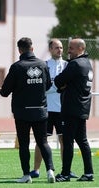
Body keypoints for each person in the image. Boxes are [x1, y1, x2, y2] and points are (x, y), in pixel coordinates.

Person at [0, 37, 55, 183]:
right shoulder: (42, 65)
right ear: (32, 48)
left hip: (22, 112)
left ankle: (26, 175)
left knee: (24, 144)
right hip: (40, 110)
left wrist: (3, 90)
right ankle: (50, 171)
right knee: (43, 142)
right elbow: (48, 86)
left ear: (19, 50)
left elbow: (5, 91)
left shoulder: (17, 67)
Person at [30, 39, 77, 179]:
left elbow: (70, 86)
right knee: (41, 141)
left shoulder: (68, 65)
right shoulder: (44, 66)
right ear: (50, 49)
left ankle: (65, 170)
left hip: (64, 110)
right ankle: (36, 170)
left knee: (65, 141)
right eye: (57, 47)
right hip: (47, 110)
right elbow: (41, 88)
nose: (60, 50)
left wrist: (56, 87)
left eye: (61, 47)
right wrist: (57, 88)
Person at [54, 38, 94, 182]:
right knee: (82, 141)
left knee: (68, 141)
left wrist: (65, 85)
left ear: (80, 49)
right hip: (82, 108)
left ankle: (65, 174)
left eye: (71, 48)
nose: (68, 51)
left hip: (71, 108)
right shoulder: (88, 64)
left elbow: (58, 80)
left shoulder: (75, 64)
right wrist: (66, 85)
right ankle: (89, 173)